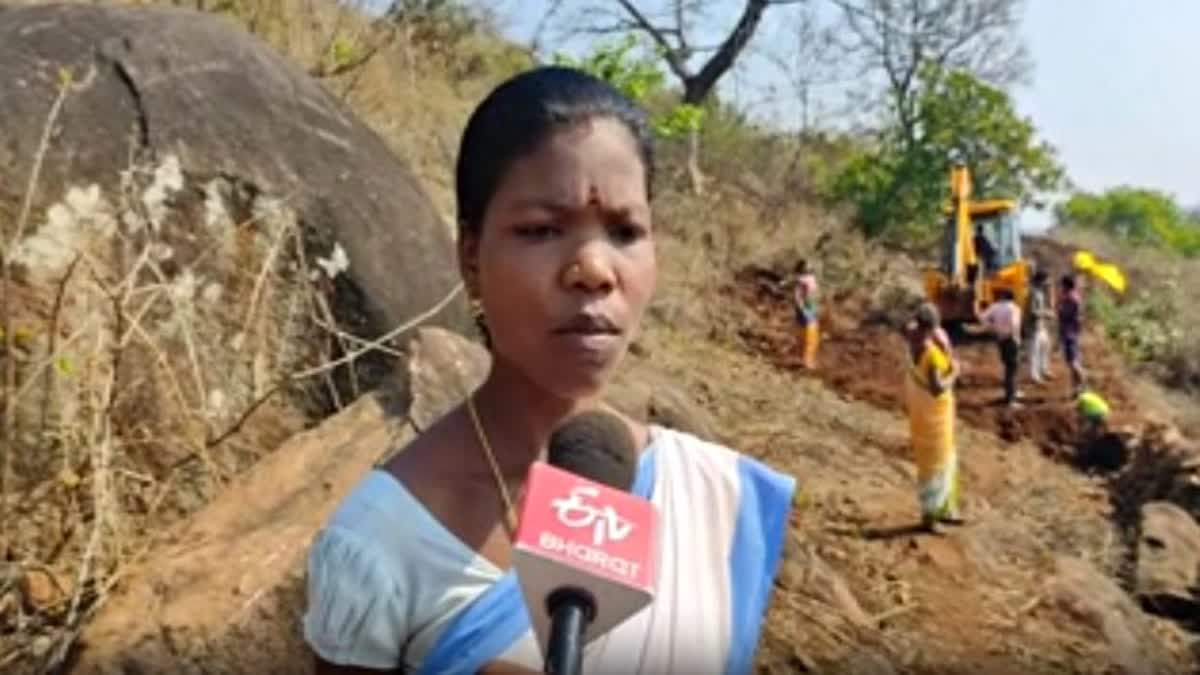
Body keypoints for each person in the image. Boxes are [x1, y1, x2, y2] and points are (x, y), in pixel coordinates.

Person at [301, 65, 796, 675]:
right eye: (540, 230)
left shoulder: (712, 500)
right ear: (472, 257)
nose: (593, 268)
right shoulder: (383, 544)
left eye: (625, 231)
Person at [904, 303, 962, 532]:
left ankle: (946, 509)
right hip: (935, 416)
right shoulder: (931, 354)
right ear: (932, 327)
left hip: (920, 412)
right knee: (939, 463)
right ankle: (930, 517)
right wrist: (955, 372)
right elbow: (937, 388)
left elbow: (908, 325)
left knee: (939, 460)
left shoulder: (911, 339)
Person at [980, 288, 1022, 407]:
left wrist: (993, 328)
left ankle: (1012, 393)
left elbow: (982, 318)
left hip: (1001, 340)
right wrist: (1014, 337)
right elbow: (1014, 325)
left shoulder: (995, 307)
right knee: (1012, 369)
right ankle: (1011, 399)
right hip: (1011, 340)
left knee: (1008, 368)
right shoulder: (1014, 308)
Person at [1058, 274, 1086, 397]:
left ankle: (1083, 381)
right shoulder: (1072, 297)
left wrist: (1059, 308)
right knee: (1072, 361)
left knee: (1072, 362)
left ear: (1065, 286)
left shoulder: (1070, 299)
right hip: (1071, 332)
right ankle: (1077, 388)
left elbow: (1066, 315)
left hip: (1069, 333)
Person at [1027, 269, 1053, 384]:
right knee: (1035, 351)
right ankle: (1034, 375)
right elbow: (1032, 311)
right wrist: (1046, 313)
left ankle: (1044, 369)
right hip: (1034, 326)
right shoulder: (1033, 293)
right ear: (1041, 281)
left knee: (1045, 347)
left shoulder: (1039, 292)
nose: (1048, 283)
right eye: (1046, 280)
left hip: (1041, 325)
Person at [793, 258, 820, 369]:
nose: (809, 268)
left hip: (811, 309)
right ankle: (806, 361)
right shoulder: (801, 280)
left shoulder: (810, 279)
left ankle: (807, 359)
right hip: (806, 310)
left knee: (811, 336)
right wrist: (801, 309)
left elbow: (814, 294)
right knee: (809, 336)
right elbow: (797, 296)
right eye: (806, 266)